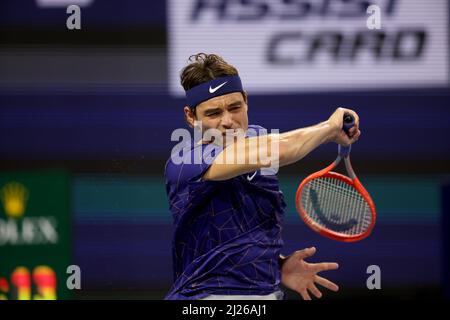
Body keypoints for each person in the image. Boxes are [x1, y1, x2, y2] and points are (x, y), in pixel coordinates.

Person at [164, 53, 361, 300]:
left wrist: (276, 265)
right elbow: (273, 150)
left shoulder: (256, 141)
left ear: (246, 101)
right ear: (191, 117)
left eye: (235, 108)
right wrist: (329, 129)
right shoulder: (186, 162)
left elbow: (236, 236)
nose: (227, 122)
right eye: (213, 113)